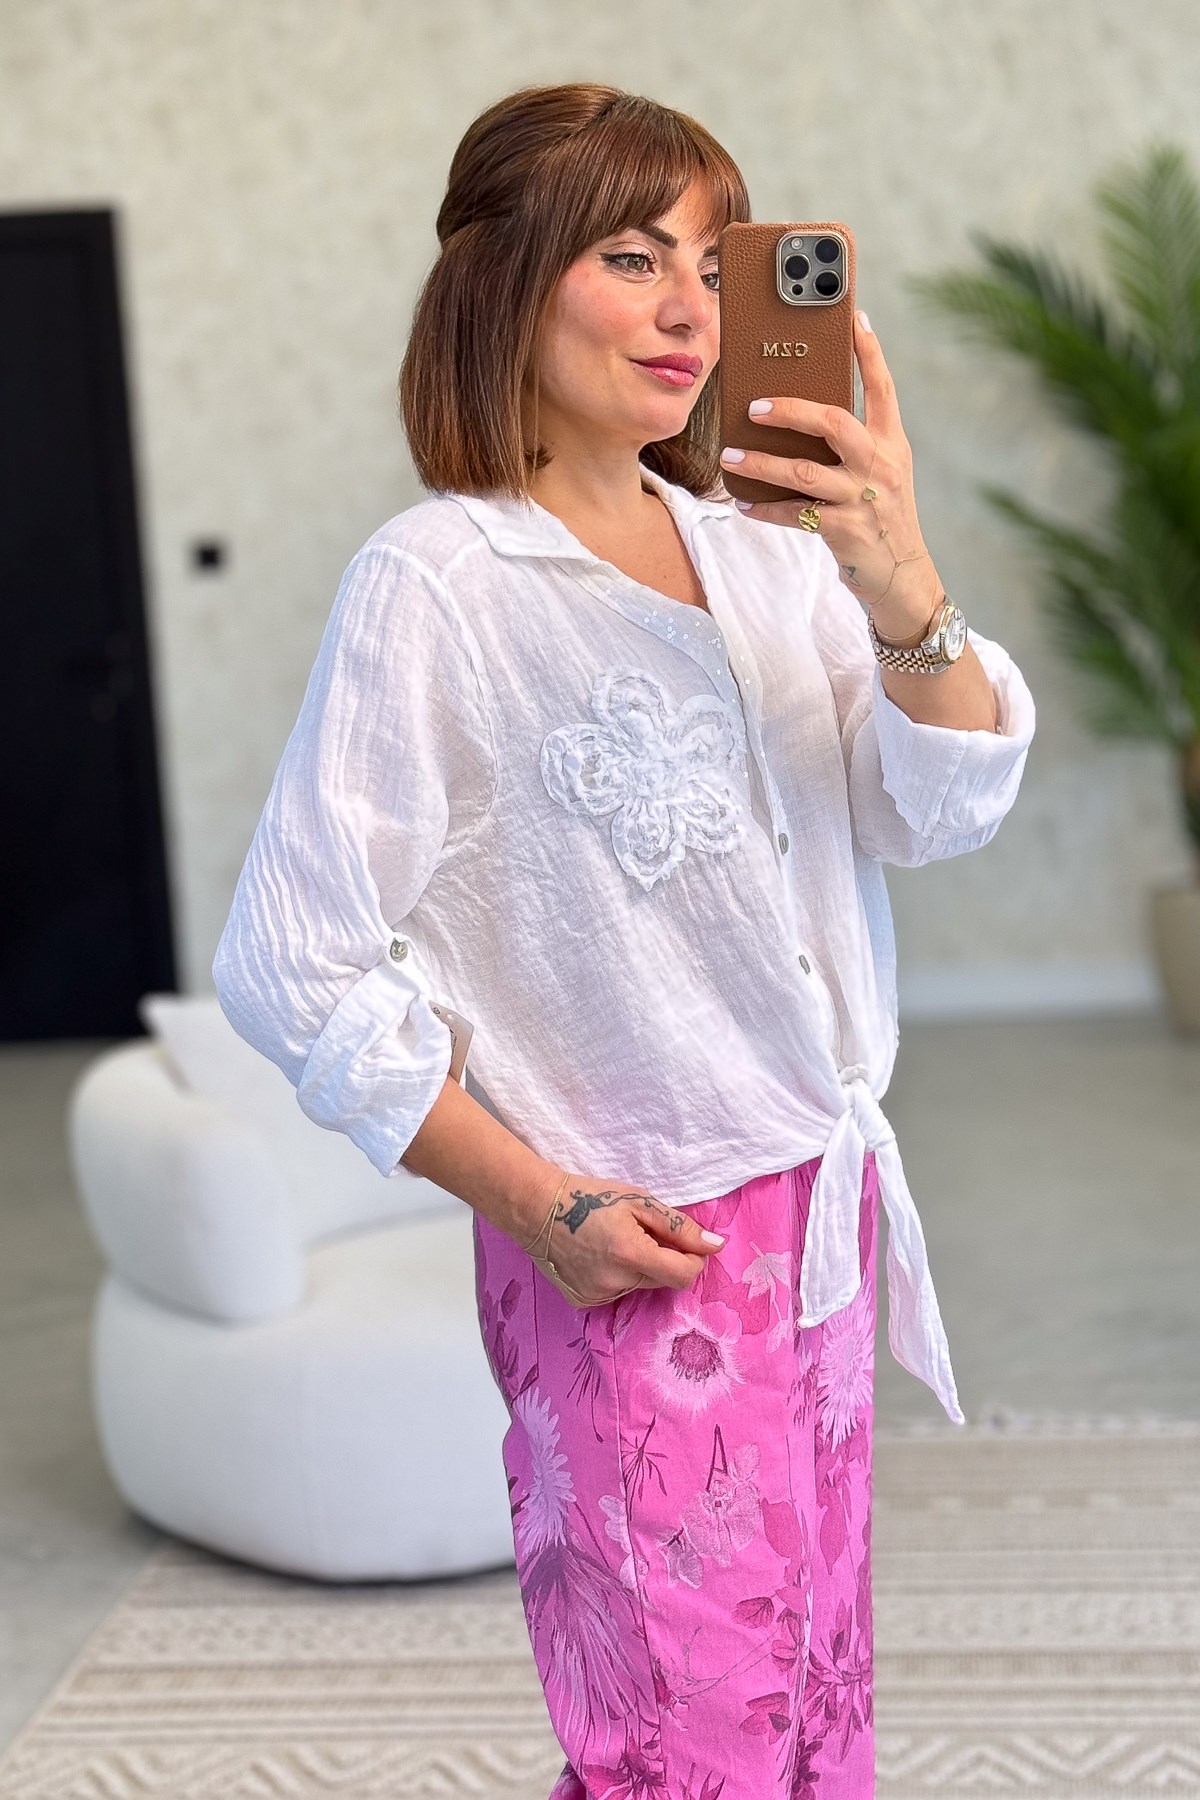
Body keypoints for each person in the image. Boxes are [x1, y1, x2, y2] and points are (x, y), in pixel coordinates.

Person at [212, 81, 1036, 1800]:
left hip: (818, 1209)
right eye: (632, 256)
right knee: (681, 1744)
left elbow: (937, 809)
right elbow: (292, 958)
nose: (690, 312)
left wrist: (897, 572)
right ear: (507, 278)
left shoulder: (774, 558)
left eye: (714, 267)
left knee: (812, 1707)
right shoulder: (438, 585)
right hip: (629, 1245)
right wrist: (540, 1205)